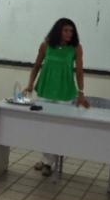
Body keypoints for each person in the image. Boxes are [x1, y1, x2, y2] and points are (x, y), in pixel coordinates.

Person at [23, 18, 90, 177]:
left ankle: (48, 163)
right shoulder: (45, 45)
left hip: (64, 93)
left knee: (56, 129)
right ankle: (47, 158)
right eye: (66, 30)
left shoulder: (76, 48)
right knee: (43, 128)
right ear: (58, 30)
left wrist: (81, 92)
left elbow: (79, 72)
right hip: (45, 90)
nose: (69, 34)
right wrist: (30, 84)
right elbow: (37, 66)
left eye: (71, 31)